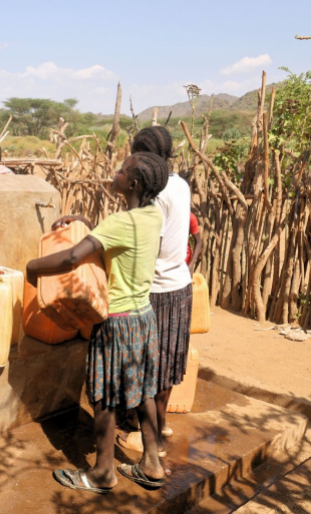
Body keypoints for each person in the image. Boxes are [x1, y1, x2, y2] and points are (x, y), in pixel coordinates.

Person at [27, 152, 169, 493]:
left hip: (115, 322)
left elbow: (72, 257)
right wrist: (89, 224)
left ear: (133, 183)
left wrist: (33, 267)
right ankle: (152, 464)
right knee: (144, 391)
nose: (115, 172)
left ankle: (103, 473)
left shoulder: (120, 223)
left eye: (121, 170)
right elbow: (121, 238)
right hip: (143, 318)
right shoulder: (153, 214)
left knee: (103, 396)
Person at [117, 126, 193, 461]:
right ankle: (157, 425)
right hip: (179, 285)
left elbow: (148, 243)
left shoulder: (157, 193)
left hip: (156, 289)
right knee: (167, 363)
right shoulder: (180, 184)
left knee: (149, 366)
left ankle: (151, 441)